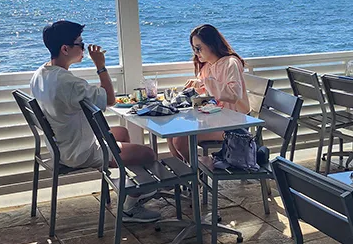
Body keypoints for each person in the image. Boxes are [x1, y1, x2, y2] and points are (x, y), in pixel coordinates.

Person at [30, 21, 160, 222]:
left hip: (62, 144)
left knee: (122, 134)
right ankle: (131, 203)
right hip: (80, 152)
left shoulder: (40, 74)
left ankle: (127, 186)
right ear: (65, 49)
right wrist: (100, 65)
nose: (84, 48)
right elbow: (110, 99)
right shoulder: (69, 83)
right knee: (148, 154)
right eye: (80, 44)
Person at [169, 24, 249, 161]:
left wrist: (205, 83)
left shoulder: (230, 63)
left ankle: (196, 174)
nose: (196, 53)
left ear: (211, 44)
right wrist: (197, 87)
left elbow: (234, 94)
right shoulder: (207, 66)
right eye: (194, 49)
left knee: (180, 140)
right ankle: (188, 173)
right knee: (171, 134)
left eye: (198, 48)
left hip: (233, 124)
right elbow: (208, 92)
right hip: (214, 119)